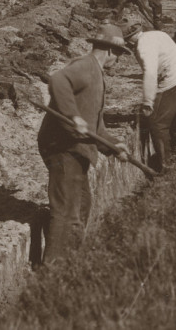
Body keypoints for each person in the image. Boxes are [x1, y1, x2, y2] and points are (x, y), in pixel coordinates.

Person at [37, 25, 131, 263]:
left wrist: (115, 145)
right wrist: (73, 116)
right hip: (62, 147)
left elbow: (96, 127)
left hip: (77, 149)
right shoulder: (86, 67)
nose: (118, 61)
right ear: (111, 51)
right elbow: (58, 80)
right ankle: (54, 268)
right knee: (67, 210)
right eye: (119, 55)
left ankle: (72, 260)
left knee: (82, 207)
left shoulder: (98, 75)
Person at [126, 22, 176, 173]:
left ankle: (167, 166)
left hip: (173, 79)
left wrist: (148, 101)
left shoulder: (143, 46)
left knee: (157, 123)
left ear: (129, 39)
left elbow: (150, 73)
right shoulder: (156, 34)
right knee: (174, 121)